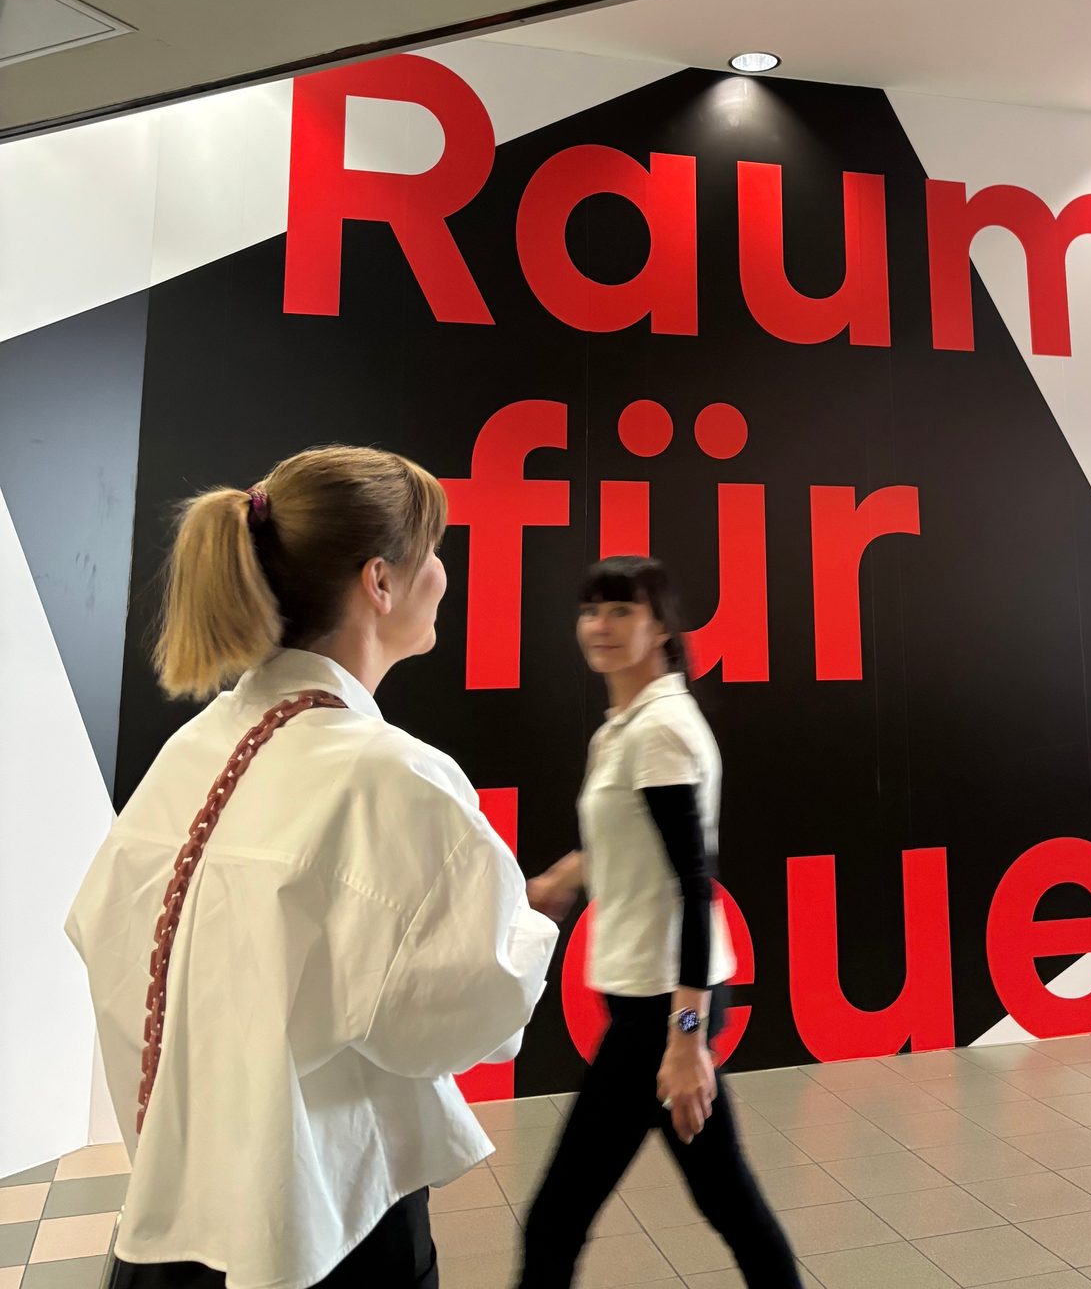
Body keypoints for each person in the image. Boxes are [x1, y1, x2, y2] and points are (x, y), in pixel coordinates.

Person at [67, 444, 557, 1289]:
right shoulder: (388, 775)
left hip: (164, 1231)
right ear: (380, 582)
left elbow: (103, 932)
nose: (444, 574)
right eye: (432, 552)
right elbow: (479, 1010)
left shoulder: (195, 750)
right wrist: (527, 919)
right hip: (323, 1232)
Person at [517, 556, 801, 1288]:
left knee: (555, 1219)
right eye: (590, 610)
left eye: (621, 610)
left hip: (661, 1010)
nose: (600, 627)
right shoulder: (625, 727)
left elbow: (692, 886)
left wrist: (685, 1041)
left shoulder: (658, 732)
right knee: (727, 1200)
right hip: (655, 1002)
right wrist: (563, 878)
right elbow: (635, 837)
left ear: (662, 627)